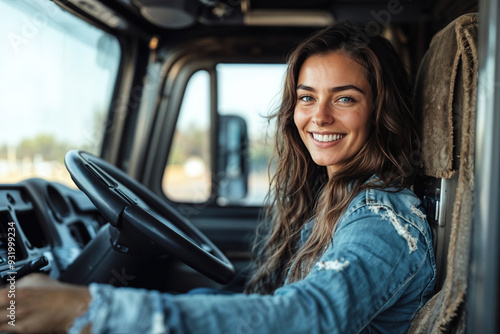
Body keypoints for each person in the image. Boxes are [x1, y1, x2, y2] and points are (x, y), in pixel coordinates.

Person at [0, 23, 435, 333]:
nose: (318, 117)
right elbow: (269, 304)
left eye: (344, 98)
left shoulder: (382, 219)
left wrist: (91, 308)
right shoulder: (334, 197)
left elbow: (307, 317)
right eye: (307, 97)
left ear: (382, 112)